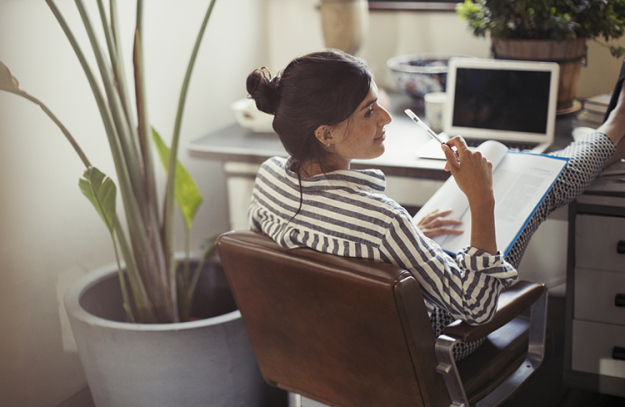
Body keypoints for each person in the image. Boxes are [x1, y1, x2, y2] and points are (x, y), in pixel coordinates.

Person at [246, 49, 625, 360]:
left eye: (378, 103)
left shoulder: (268, 179)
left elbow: (309, 254)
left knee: (525, 185)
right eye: (368, 111)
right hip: (419, 351)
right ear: (325, 134)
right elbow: (477, 308)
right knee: (535, 193)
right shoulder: (383, 223)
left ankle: (610, 138)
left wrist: (392, 247)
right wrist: (481, 199)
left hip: (328, 349)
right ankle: (611, 132)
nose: (386, 117)